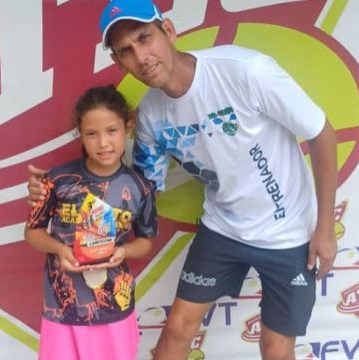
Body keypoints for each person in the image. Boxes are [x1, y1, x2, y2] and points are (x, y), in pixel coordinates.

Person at [27, 1, 338, 358]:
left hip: (289, 231)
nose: (141, 56)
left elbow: (321, 133)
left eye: (145, 38)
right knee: (176, 329)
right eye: (126, 51)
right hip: (223, 228)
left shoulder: (245, 71)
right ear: (119, 63)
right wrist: (54, 189)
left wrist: (325, 228)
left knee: (276, 348)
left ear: (169, 32)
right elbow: (134, 191)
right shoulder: (149, 117)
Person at [25, 86, 156, 360]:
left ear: (128, 128)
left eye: (112, 131)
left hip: (114, 305)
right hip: (61, 306)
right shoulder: (58, 180)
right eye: (91, 134)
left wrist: (125, 251)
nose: (103, 143)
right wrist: (60, 249)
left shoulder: (141, 187)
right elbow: (32, 233)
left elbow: (145, 241)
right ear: (80, 135)